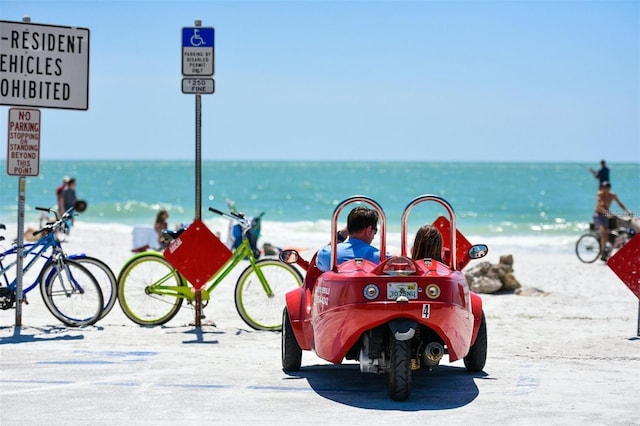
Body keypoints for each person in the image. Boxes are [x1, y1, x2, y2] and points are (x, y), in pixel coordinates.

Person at [316, 206, 381, 272]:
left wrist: (342, 234)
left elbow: (314, 267)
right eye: (375, 231)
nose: (373, 237)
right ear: (369, 230)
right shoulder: (382, 258)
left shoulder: (327, 254)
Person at [593, 181, 629, 261]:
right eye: (605, 188)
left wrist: (627, 211)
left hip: (607, 214)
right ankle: (602, 252)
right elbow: (600, 206)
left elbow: (619, 203)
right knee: (604, 232)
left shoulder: (612, 195)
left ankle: (608, 248)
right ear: (603, 188)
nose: (607, 189)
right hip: (599, 215)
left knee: (614, 232)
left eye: (608, 188)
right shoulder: (600, 194)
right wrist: (607, 213)